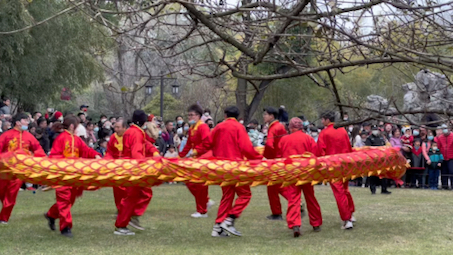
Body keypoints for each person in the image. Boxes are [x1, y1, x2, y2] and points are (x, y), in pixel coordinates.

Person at [209, 106, 263, 237]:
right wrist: (258, 158)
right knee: (245, 195)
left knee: (227, 196)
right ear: (237, 116)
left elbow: (209, 143)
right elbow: (246, 147)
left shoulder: (218, 127)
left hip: (222, 166)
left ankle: (218, 227)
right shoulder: (239, 127)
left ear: (225, 115)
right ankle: (229, 220)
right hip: (236, 167)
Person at [44, 116, 101, 237]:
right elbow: (54, 156)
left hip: (74, 176)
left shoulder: (77, 139)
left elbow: (86, 150)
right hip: (63, 176)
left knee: (69, 201)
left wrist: (96, 155)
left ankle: (51, 215)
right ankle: (65, 227)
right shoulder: (60, 139)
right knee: (64, 201)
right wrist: (67, 163)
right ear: (71, 126)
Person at [114, 110, 160, 236]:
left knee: (142, 193)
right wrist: (144, 167)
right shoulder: (137, 133)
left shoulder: (130, 131)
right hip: (134, 169)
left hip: (128, 168)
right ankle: (123, 223)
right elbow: (136, 152)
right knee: (133, 197)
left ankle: (131, 217)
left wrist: (154, 152)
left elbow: (145, 145)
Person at [278, 118, 322, 237]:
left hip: (291, 172)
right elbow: (315, 154)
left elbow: (280, 156)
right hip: (306, 172)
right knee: (310, 197)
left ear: (290, 127)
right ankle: (316, 223)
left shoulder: (284, 139)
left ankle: (295, 224)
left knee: (293, 199)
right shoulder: (308, 138)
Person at [0, 113, 46, 224]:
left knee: (11, 195)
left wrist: (45, 162)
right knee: (2, 193)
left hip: (19, 171)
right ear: (18, 122)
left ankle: (3, 218)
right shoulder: (6, 135)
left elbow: (38, 150)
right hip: (4, 170)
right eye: (25, 121)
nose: (28, 123)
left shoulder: (29, 136)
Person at [317, 111, 355, 230]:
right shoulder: (342, 130)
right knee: (345, 190)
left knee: (339, 193)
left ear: (327, 119)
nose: (322, 122)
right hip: (345, 164)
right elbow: (349, 148)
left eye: (322, 119)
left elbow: (320, 152)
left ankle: (347, 219)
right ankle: (351, 213)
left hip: (333, 167)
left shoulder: (324, 133)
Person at [179, 104, 214, 218]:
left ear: (198, 116)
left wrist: (195, 152)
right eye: (188, 115)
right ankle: (206, 202)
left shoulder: (202, 127)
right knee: (189, 182)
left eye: (192, 115)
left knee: (200, 185)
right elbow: (188, 144)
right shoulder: (191, 128)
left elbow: (207, 143)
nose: (189, 117)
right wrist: (180, 156)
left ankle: (202, 210)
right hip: (196, 160)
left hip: (203, 159)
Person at [262, 107, 288, 221]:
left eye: (266, 114)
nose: (264, 116)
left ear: (272, 116)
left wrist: (266, 156)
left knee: (273, 187)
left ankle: (277, 212)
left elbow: (269, 144)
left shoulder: (273, 128)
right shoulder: (281, 127)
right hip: (282, 159)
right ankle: (279, 211)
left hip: (274, 161)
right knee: (277, 186)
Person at [104, 119, 129, 213]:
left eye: (118, 127)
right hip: (116, 168)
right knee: (117, 190)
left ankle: (127, 208)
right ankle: (120, 208)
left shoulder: (130, 137)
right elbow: (109, 152)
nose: (116, 129)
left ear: (124, 128)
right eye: (115, 127)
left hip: (128, 167)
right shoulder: (113, 138)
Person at [365, 125, 391, 194]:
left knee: (383, 174)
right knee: (373, 175)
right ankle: (373, 189)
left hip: (381, 159)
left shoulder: (381, 138)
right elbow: (367, 148)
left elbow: (384, 146)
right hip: (373, 159)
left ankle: (384, 189)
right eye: (374, 129)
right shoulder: (369, 139)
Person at [434, 124, 453, 190]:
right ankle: (444, 186)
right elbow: (438, 147)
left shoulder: (452, 136)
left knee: (451, 171)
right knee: (443, 172)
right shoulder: (440, 137)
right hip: (443, 157)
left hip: (451, 157)